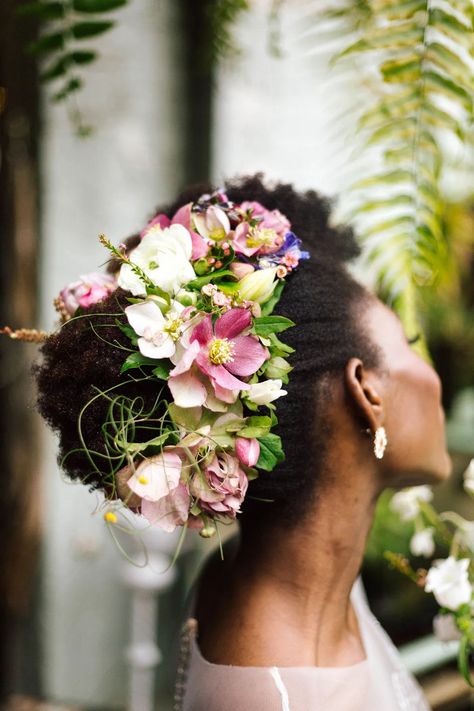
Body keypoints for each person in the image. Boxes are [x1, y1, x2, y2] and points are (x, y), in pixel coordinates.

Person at [31, 175, 451, 710]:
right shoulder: (279, 695)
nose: (432, 370)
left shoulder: (263, 570)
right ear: (367, 391)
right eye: (410, 344)